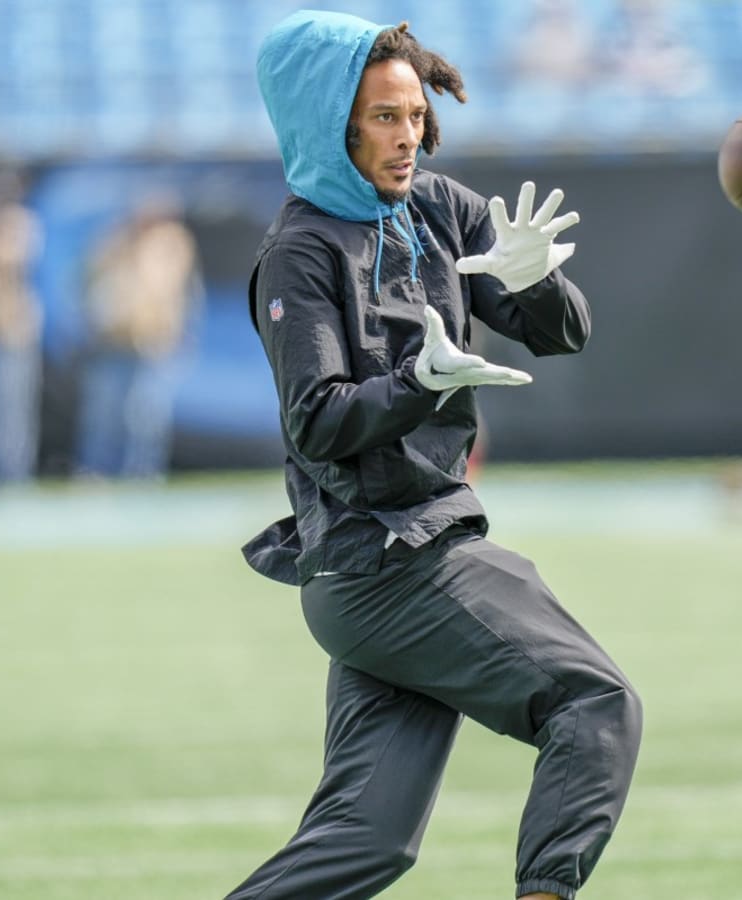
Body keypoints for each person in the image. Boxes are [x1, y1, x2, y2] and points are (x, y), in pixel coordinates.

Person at [228, 12, 642, 900]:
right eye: (385, 116)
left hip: (391, 568)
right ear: (328, 122)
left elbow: (561, 335)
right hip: (385, 562)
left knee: (366, 841)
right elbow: (318, 422)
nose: (409, 135)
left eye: (415, 114)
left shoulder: (437, 208)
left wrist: (538, 281)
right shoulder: (299, 252)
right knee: (595, 703)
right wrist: (420, 382)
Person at [75, 197, 200, 478]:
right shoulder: (111, 242)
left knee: (146, 415)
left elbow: (187, 295)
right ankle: (97, 472)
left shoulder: (172, 245)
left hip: (154, 342)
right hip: (112, 342)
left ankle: (142, 473)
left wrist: (182, 335)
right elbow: (88, 288)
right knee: (104, 415)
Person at [0, 169, 44, 483]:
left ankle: (14, 475)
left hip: (14, 331)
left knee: (13, 410)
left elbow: (13, 257)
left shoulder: (22, 224)